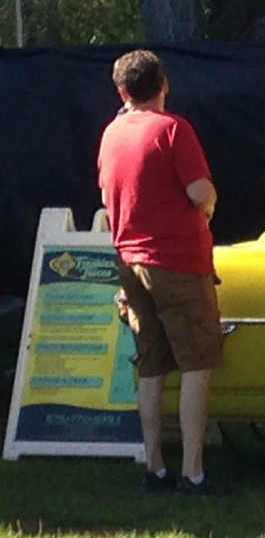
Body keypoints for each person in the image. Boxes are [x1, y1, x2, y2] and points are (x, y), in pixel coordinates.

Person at [97, 49, 220, 496]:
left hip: (129, 261)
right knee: (196, 363)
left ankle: (155, 468)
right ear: (164, 84)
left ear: (122, 91)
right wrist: (210, 205)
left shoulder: (111, 134)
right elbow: (199, 191)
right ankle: (193, 473)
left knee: (150, 365)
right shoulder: (173, 130)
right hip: (178, 262)